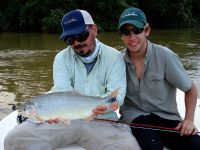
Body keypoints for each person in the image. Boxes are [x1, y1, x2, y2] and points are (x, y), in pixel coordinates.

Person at [4, 9, 140, 150]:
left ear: (94, 29)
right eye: (69, 39)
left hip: (103, 120)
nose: (76, 43)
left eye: (81, 35)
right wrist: (52, 113)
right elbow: (63, 93)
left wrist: (103, 106)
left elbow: (117, 98)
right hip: (64, 121)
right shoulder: (61, 58)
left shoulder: (115, 57)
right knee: (13, 140)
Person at [118, 7, 200, 150]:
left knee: (195, 144)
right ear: (121, 36)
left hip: (166, 117)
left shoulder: (165, 56)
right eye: (126, 32)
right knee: (152, 146)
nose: (132, 38)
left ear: (147, 30)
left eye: (137, 30)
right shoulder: (116, 62)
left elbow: (190, 89)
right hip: (134, 117)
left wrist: (189, 119)